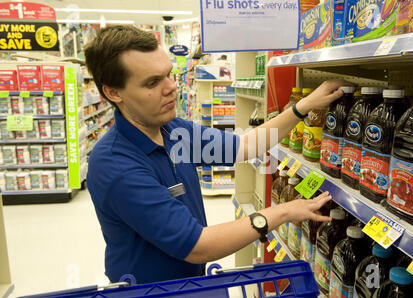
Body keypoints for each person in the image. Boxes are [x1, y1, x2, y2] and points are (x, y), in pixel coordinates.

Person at [84, 25, 353, 284]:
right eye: (153, 82)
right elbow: (198, 246)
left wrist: (303, 107)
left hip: (191, 282)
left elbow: (246, 147)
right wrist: (280, 213)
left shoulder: (172, 131)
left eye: (168, 74)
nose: (171, 87)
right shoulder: (115, 163)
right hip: (149, 292)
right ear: (113, 92)